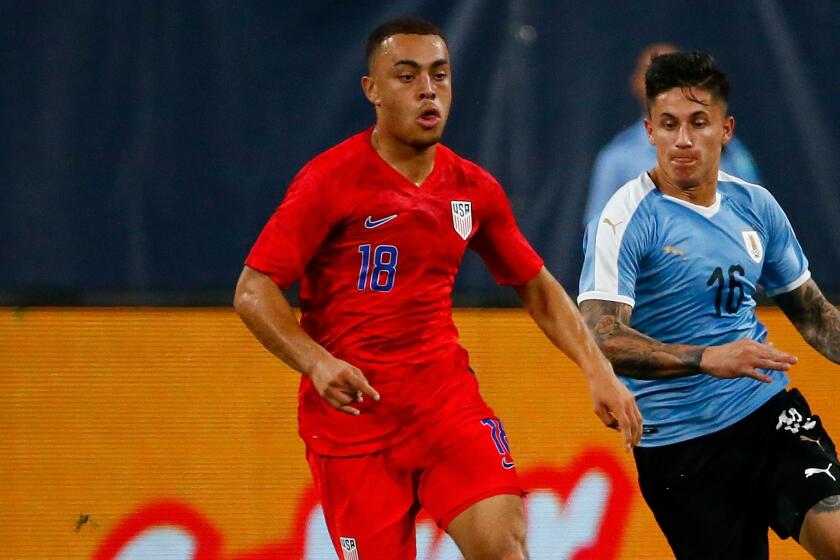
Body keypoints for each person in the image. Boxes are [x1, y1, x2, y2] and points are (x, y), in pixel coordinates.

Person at [234, 16, 641, 560]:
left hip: (444, 407)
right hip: (352, 428)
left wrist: (598, 369)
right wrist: (316, 361)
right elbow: (253, 290)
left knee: (503, 543)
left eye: (439, 75)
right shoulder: (329, 181)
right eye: (407, 76)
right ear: (372, 90)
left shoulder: (473, 189)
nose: (428, 89)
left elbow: (537, 286)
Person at [578, 50, 840, 559]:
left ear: (725, 129)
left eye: (699, 123)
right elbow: (604, 335)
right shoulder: (624, 219)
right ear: (649, 129)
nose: (682, 140)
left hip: (766, 413)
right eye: (669, 124)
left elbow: (814, 316)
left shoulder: (756, 205)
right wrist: (707, 357)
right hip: (679, 448)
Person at [582, 43, 762, 226]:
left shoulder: (726, 148)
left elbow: (755, 214)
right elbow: (599, 229)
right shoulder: (617, 158)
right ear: (635, 83)